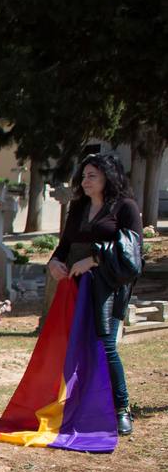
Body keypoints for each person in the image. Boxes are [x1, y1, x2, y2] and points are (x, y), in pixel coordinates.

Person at [49, 152, 142, 435]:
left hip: (109, 288)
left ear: (108, 178)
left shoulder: (125, 207)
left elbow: (134, 254)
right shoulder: (77, 208)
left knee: (105, 346)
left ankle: (121, 409)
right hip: (75, 288)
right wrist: (54, 261)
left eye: (92, 176)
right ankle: (80, 405)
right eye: (84, 175)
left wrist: (94, 260)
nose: (85, 181)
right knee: (75, 345)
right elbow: (64, 245)